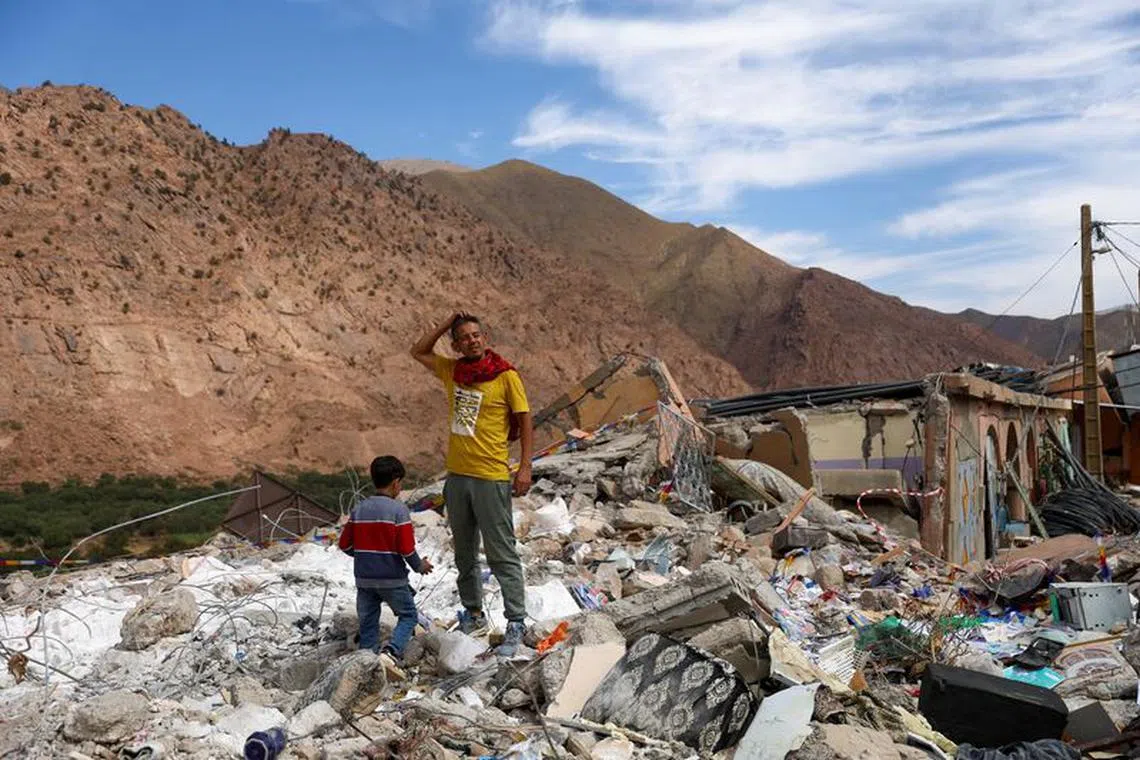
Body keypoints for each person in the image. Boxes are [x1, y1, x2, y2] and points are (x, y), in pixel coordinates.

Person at [411, 312, 533, 656]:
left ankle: (516, 622)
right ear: (456, 345)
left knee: (500, 551)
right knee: (464, 552)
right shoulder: (453, 372)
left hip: (491, 475)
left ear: (485, 338)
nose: (473, 341)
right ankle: (474, 613)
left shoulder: (506, 376)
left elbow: (525, 421)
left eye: (477, 335)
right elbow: (417, 351)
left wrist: (524, 467)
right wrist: (445, 322)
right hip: (457, 476)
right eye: (464, 337)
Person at [338, 455, 433, 664]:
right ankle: (391, 651)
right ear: (396, 482)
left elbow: (344, 545)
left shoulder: (359, 509)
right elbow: (406, 549)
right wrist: (420, 566)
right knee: (408, 616)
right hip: (392, 579)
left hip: (365, 579)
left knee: (368, 621)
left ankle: (366, 660)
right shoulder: (399, 511)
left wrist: (364, 556)